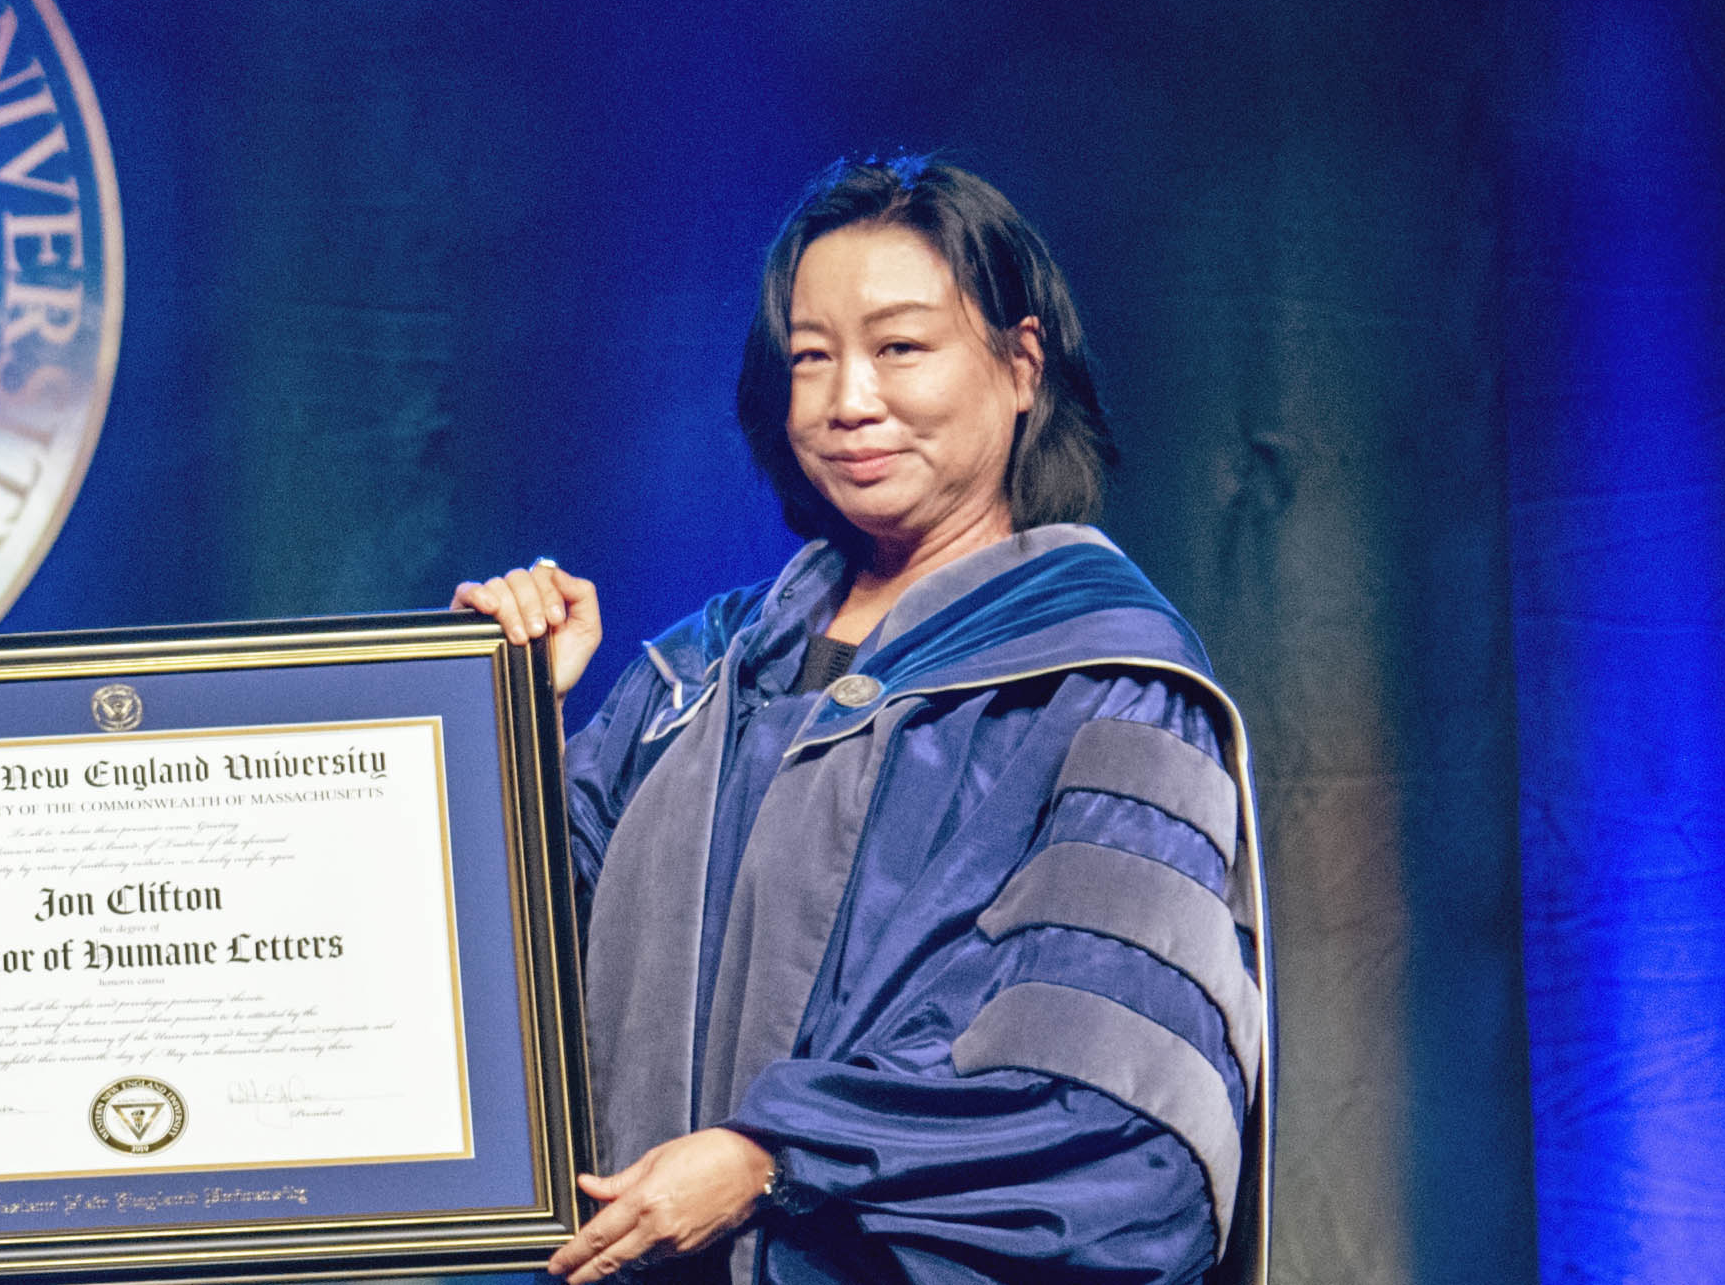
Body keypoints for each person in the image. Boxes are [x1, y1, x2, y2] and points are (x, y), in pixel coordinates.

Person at [453, 156, 1264, 1285]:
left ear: (1020, 364)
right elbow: (495, 996)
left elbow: (1112, 1118)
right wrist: (501, 721)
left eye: (899, 348)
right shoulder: (695, 680)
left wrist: (770, 1156)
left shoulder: (1104, 688)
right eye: (811, 357)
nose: (847, 402)